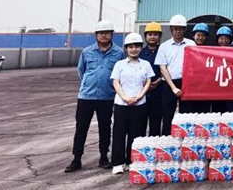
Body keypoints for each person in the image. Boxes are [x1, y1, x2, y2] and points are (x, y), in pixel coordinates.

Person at [65, 20, 125, 173]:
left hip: (107, 97)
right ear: (96, 35)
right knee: (81, 128)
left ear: (112, 34)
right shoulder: (87, 52)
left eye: (106, 32)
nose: (103, 35)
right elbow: (81, 71)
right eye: (100, 33)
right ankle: (77, 158)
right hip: (86, 96)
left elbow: (121, 74)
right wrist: (88, 84)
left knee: (105, 127)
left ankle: (103, 157)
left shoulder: (119, 53)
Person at [110, 33, 154, 175]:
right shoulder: (119, 65)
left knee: (137, 133)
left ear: (141, 48)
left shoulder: (145, 64)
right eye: (130, 47)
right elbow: (116, 82)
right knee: (119, 133)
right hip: (121, 104)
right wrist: (125, 98)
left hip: (140, 104)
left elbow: (148, 81)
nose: (134, 49)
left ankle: (132, 161)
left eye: (136, 47)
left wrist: (140, 96)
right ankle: (118, 163)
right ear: (126, 49)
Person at [155, 14, 195, 135]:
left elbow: (195, 64)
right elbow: (163, 68)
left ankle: (186, 140)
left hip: (186, 84)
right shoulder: (164, 46)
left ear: (185, 30)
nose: (178, 31)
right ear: (171, 29)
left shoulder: (191, 44)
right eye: (175, 29)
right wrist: (173, 87)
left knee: (186, 115)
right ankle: (167, 140)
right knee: (167, 115)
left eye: (181, 29)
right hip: (168, 84)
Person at [139, 22, 164, 136]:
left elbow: (168, 68)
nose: (152, 37)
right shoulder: (140, 53)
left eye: (155, 34)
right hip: (142, 93)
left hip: (159, 93)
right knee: (140, 123)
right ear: (145, 36)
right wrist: (145, 83)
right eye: (150, 34)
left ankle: (154, 145)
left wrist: (159, 80)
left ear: (159, 36)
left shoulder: (163, 51)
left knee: (156, 124)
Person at [189, 23, 212, 113]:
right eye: (198, 35)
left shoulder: (209, 51)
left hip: (205, 88)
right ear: (193, 36)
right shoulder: (188, 49)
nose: (200, 38)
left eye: (203, 36)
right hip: (191, 88)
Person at [210, 26, 233, 113]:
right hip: (216, 89)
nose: (224, 41)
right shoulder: (212, 52)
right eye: (221, 38)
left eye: (226, 38)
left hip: (230, 88)